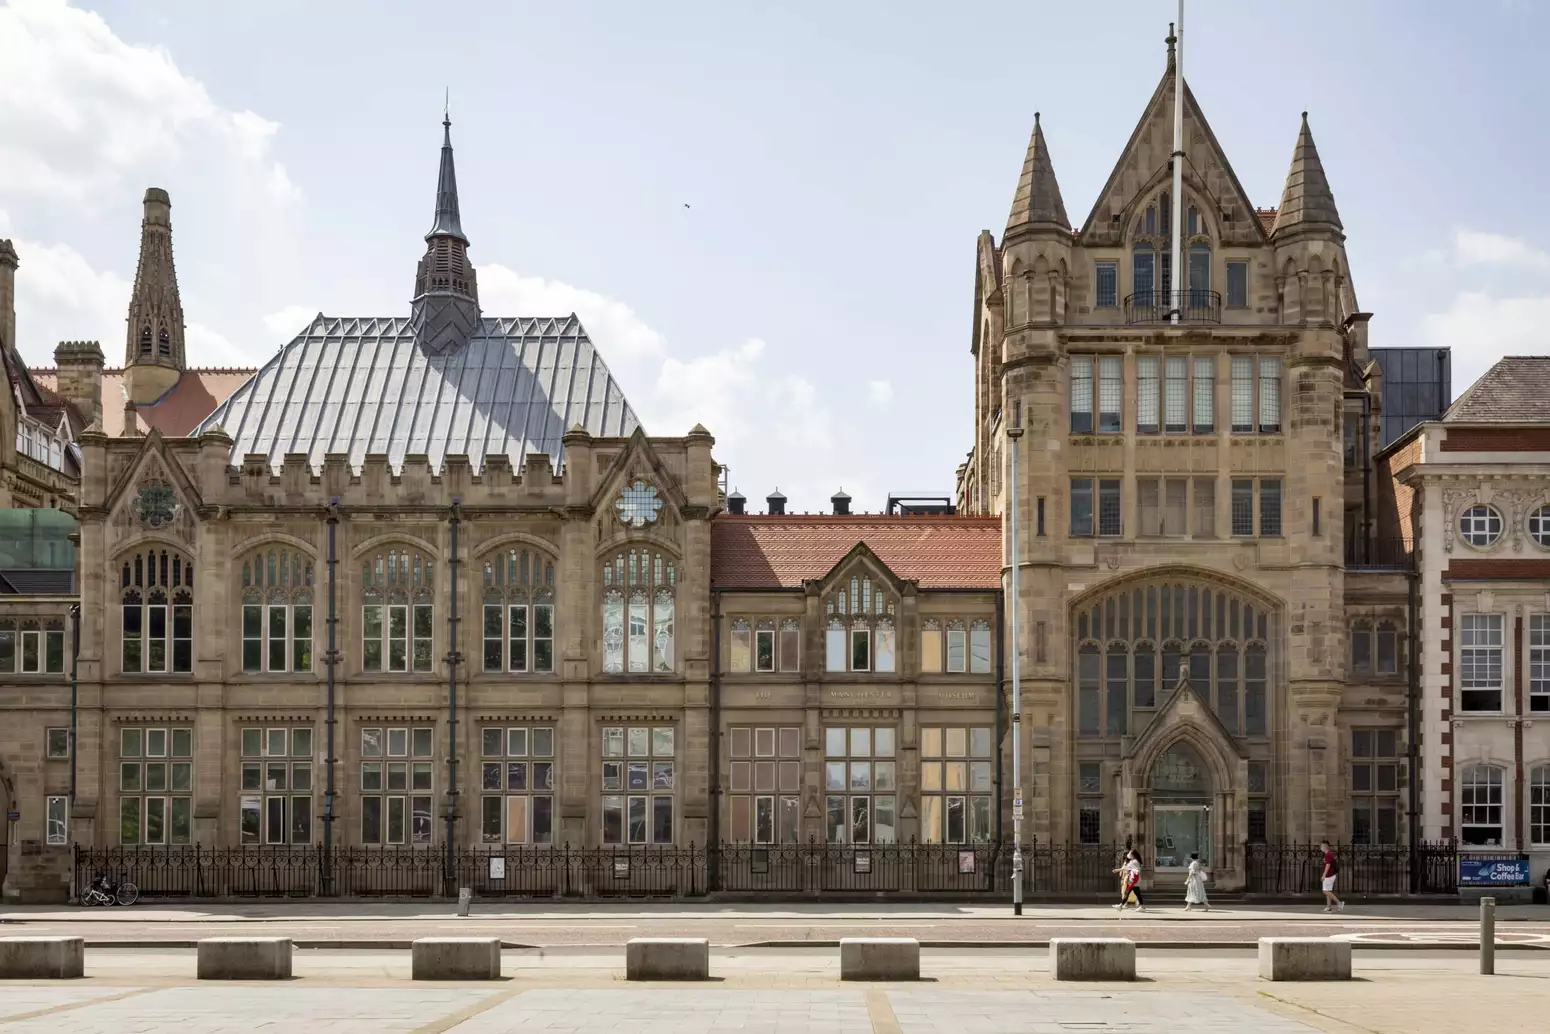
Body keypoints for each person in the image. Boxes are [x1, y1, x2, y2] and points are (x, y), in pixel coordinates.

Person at [1111, 849, 1145, 913]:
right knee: (1137, 894)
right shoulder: (1133, 861)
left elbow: (1137, 870)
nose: (1128, 854)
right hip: (1134, 880)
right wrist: (1118, 870)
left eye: (1130, 853)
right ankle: (1141, 906)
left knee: (1127, 893)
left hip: (1134, 880)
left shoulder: (1134, 861)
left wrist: (1134, 871)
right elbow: (1126, 868)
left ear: (1133, 855)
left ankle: (1121, 906)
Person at [1319, 840, 1344, 912]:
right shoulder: (1328, 854)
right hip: (1330, 875)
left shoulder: (1328, 854)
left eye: (1321, 846)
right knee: (1328, 891)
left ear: (1325, 846)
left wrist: (1324, 875)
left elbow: (1328, 865)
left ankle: (1339, 903)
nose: (1321, 847)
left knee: (1325, 891)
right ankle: (1329, 907)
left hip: (1329, 876)